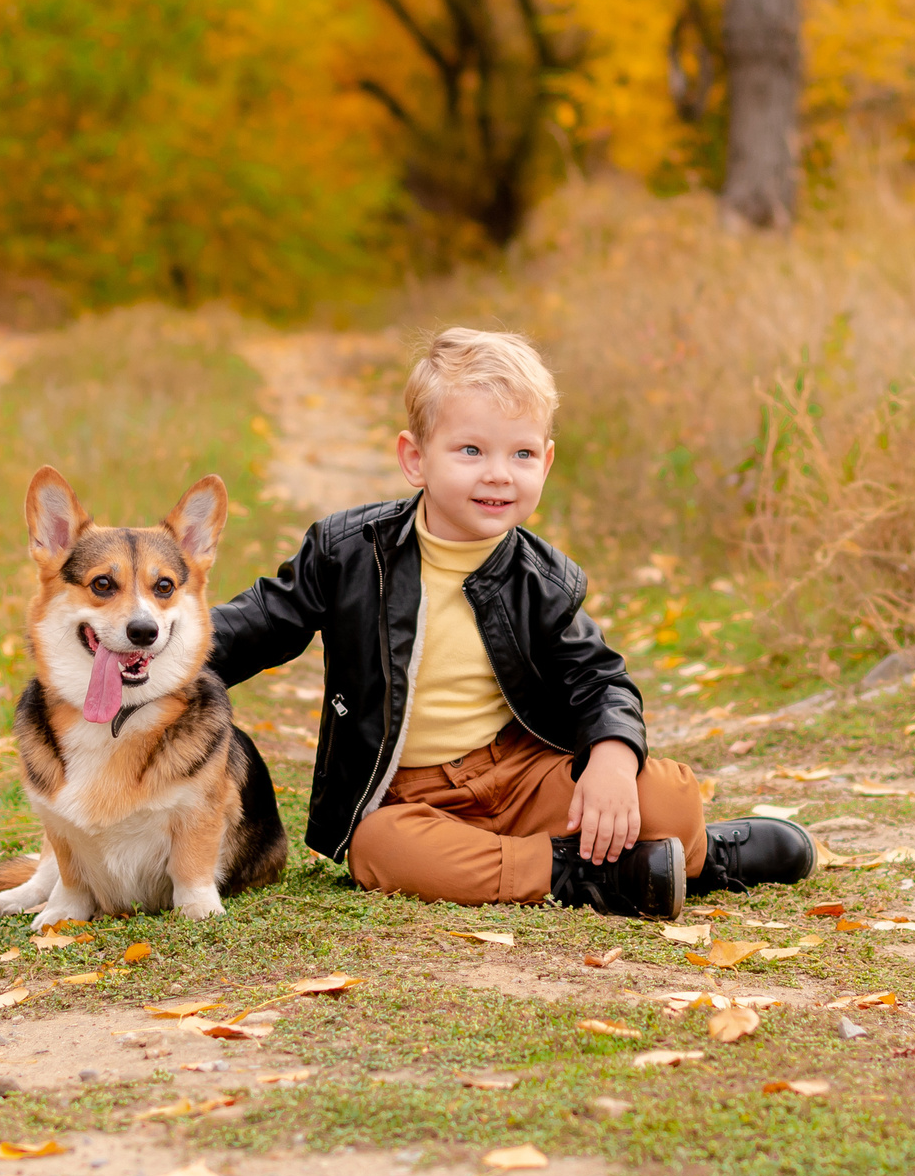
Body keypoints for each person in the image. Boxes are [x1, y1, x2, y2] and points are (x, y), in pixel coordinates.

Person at [206, 327, 813, 920]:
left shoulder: (540, 579)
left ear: (545, 463)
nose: (499, 473)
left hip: (520, 772)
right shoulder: (347, 552)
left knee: (666, 798)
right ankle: (587, 873)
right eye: (471, 450)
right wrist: (156, 660)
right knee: (379, 849)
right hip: (412, 796)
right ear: (414, 459)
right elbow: (259, 622)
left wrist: (610, 758)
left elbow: (598, 680)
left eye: (521, 453)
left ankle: (695, 853)